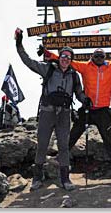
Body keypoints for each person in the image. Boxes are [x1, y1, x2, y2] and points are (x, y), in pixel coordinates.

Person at [14, 27, 89, 191]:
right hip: (47, 112)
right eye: (63, 56)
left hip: (64, 114)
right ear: (59, 57)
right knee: (42, 145)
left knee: (63, 146)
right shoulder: (48, 68)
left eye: (68, 57)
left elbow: (78, 93)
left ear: (71, 60)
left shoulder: (74, 75)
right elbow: (27, 61)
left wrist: (85, 100)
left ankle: (65, 179)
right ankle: (37, 178)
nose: (65, 59)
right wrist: (19, 43)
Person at [45, 48, 111, 185]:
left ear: (105, 57)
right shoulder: (85, 66)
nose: (99, 58)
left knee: (109, 142)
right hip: (87, 109)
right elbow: (67, 60)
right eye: (97, 56)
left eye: (101, 56)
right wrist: (48, 54)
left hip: (103, 111)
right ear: (92, 56)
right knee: (73, 135)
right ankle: (60, 158)